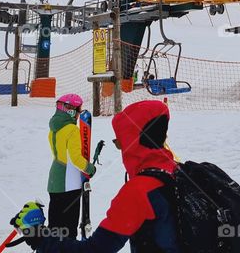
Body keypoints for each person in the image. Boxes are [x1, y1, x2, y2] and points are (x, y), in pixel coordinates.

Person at [13, 100, 179, 252]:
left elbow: (93, 250)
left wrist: (37, 235)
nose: (120, 149)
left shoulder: (138, 192)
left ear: (131, 141)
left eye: (119, 142)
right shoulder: (180, 173)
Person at [47, 94, 96, 239]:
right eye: (78, 110)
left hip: (54, 181)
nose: (78, 115)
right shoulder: (72, 130)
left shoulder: (53, 129)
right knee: (69, 227)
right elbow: (75, 159)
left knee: (55, 226)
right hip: (69, 183)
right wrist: (90, 169)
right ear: (71, 110)